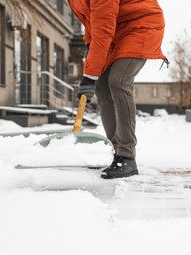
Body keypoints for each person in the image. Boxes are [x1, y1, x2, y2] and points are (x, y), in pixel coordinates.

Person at [68, 0, 167, 179]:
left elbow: (103, 29)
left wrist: (89, 76)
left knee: (119, 80)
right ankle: (117, 153)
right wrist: (91, 59)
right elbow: (93, 24)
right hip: (115, 28)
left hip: (141, 25)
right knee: (102, 86)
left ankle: (127, 156)